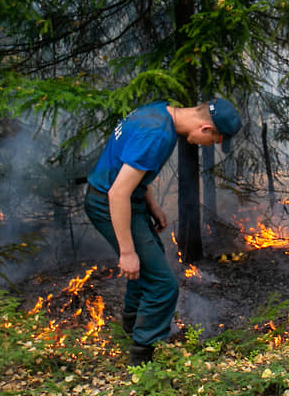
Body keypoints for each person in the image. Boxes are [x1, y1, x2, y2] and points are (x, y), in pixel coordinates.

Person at [83, 97, 242, 365]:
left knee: (149, 270)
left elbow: (132, 170)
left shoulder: (158, 112)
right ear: (205, 129)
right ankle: (144, 361)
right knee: (162, 285)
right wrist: (127, 251)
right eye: (215, 141)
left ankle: (132, 330)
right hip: (109, 203)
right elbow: (117, 192)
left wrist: (152, 205)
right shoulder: (157, 134)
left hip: (128, 201)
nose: (210, 146)